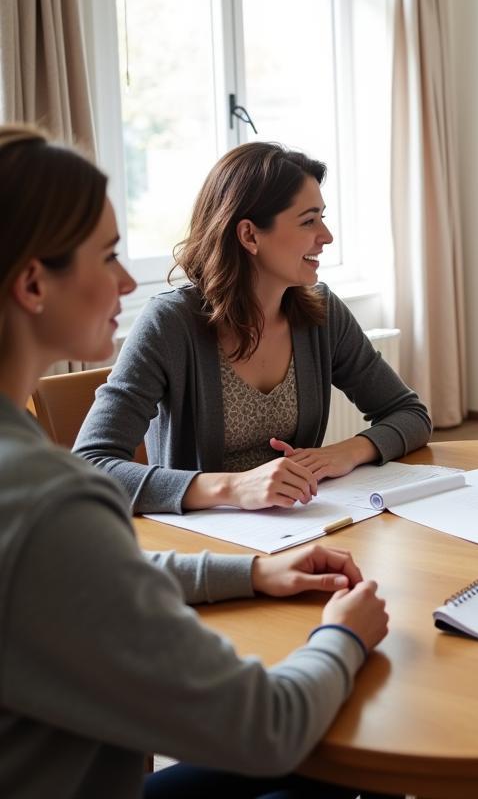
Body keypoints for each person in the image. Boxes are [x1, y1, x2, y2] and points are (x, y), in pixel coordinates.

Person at [0, 127, 390, 798]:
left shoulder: (34, 493)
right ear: (34, 283)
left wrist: (253, 571)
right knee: (357, 758)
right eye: (109, 256)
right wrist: (345, 638)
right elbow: (267, 725)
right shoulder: (50, 500)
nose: (127, 279)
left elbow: (87, 573)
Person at [76, 142, 431, 514]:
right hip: (200, 548)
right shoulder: (170, 324)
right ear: (249, 236)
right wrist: (232, 487)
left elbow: (410, 414)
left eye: (322, 218)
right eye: (309, 221)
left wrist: (344, 453)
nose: (326, 236)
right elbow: (90, 467)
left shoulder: (321, 312)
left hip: (295, 531)